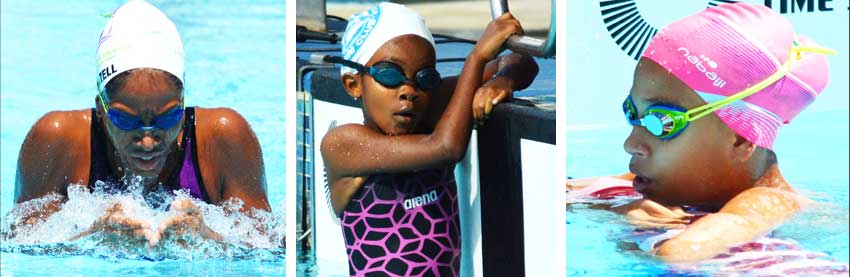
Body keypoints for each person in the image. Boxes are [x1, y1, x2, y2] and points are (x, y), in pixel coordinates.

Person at [567, 2, 836, 263]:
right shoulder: (666, 182)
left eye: (662, 122)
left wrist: (625, 214)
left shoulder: (768, 202)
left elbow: (681, 254)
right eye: (632, 113)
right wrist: (609, 206)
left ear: (741, 139)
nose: (631, 143)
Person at [10, 0, 270, 247]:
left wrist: (208, 238)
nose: (147, 141)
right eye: (125, 119)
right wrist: (92, 238)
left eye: (168, 117)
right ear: (101, 108)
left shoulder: (224, 139)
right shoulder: (57, 142)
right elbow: (17, 247)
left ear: (183, 102)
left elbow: (272, 249)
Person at [320, 3, 538, 276]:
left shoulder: (431, 109)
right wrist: (476, 59)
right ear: (354, 84)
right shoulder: (343, 143)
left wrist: (502, 81)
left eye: (425, 78)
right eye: (389, 75)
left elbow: (523, 63)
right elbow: (446, 148)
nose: (408, 91)